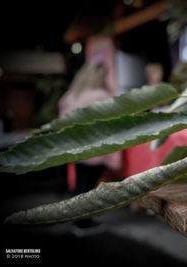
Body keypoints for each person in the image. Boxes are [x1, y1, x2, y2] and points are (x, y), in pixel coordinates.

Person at [59, 62, 122, 236]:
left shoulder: (71, 95)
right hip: (95, 150)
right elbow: (112, 127)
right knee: (87, 188)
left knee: (81, 185)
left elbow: (62, 125)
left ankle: (79, 221)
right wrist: (114, 156)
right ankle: (82, 223)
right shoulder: (101, 96)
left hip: (75, 149)